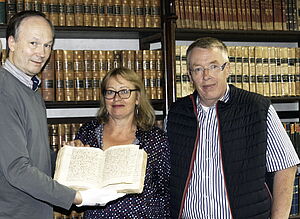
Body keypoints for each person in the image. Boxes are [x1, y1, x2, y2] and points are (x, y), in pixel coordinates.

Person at [0, 11, 123, 219]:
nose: (41, 53)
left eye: (48, 45)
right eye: (33, 43)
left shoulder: (31, 87)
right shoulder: (4, 90)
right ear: (12, 42)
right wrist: (78, 198)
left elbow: (33, 154)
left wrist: (68, 158)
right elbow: (17, 169)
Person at [166, 37, 300, 219]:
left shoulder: (257, 108)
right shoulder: (176, 114)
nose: (206, 76)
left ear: (227, 69)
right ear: (190, 76)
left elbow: (286, 167)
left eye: (214, 66)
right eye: (198, 69)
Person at [71, 67, 170, 218]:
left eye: (124, 91)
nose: (117, 98)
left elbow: (168, 191)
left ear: (137, 98)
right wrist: (72, 155)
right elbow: (75, 187)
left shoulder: (155, 139)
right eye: (110, 92)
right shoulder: (88, 133)